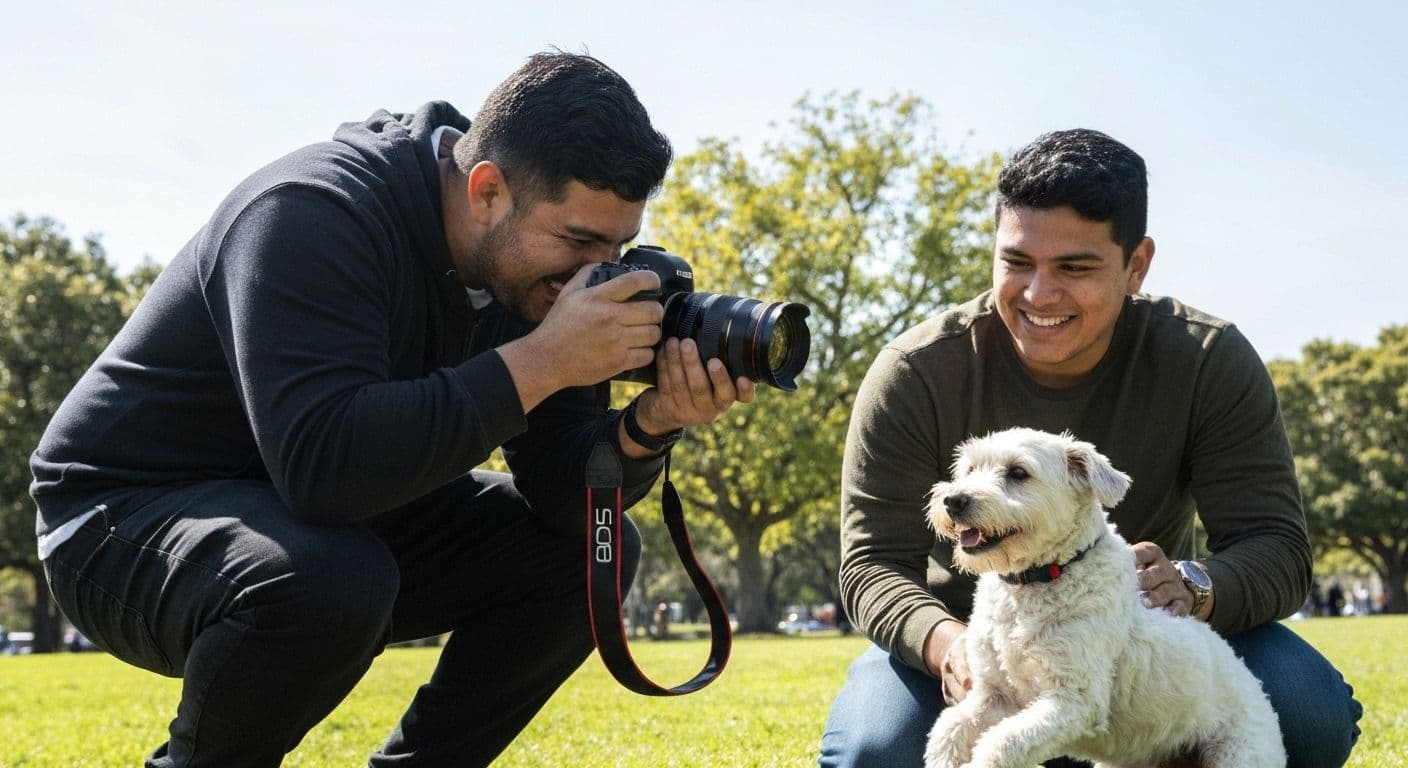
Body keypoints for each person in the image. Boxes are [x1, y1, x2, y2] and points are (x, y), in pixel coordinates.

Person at [30, 51, 754, 767]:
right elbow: (325, 468)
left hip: (319, 520)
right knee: (328, 577)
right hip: (120, 517)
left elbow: (566, 498)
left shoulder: (533, 281)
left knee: (593, 548)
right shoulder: (312, 210)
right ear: (487, 191)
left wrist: (646, 428)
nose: (596, 271)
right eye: (578, 240)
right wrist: (543, 361)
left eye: (617, 244)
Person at [819, 129, 1361, 768]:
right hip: (966, 635)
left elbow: (1278, 547)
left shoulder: (1208, 359)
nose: (1039, 295)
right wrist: (946, 644)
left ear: (1136, 265)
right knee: (873, 749)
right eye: (1016, 262)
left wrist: (1196, 586)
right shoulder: (914, 371)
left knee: (1310, 713)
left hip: (1142, 640)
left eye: (1075, 267)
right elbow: (870, 564)